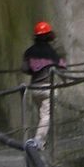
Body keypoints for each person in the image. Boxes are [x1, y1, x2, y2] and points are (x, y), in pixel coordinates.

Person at [21, 20, 65, 148]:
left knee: (41, 115)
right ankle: (38, 142)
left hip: (34, 87)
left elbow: (25, 69)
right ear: (49, 36)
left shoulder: (29, 52)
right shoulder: (52, 52)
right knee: (46, 115)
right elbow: (61, 67)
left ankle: (37, 139)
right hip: (48, 87)